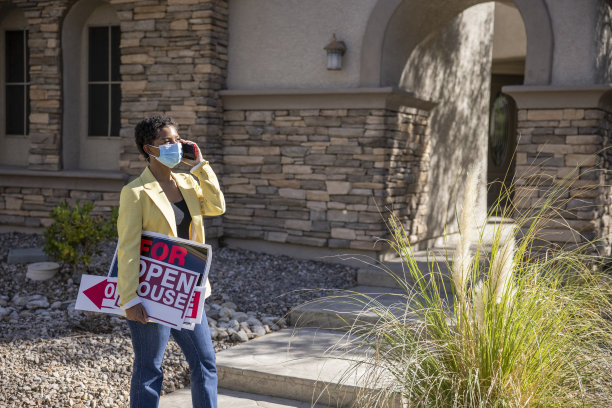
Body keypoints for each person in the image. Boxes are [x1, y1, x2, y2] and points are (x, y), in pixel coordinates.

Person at [116, 115, 225, 408]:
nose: (175, 146)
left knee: (205, 362)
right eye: (167, 141)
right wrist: (130, 299)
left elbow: (217, 205)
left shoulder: (188, 183)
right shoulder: (135, 193)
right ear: (149, 149)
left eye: (177, 140)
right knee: (150, 368)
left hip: (188, 289)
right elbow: (127, 249)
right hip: (152, 293)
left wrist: (201, 165)